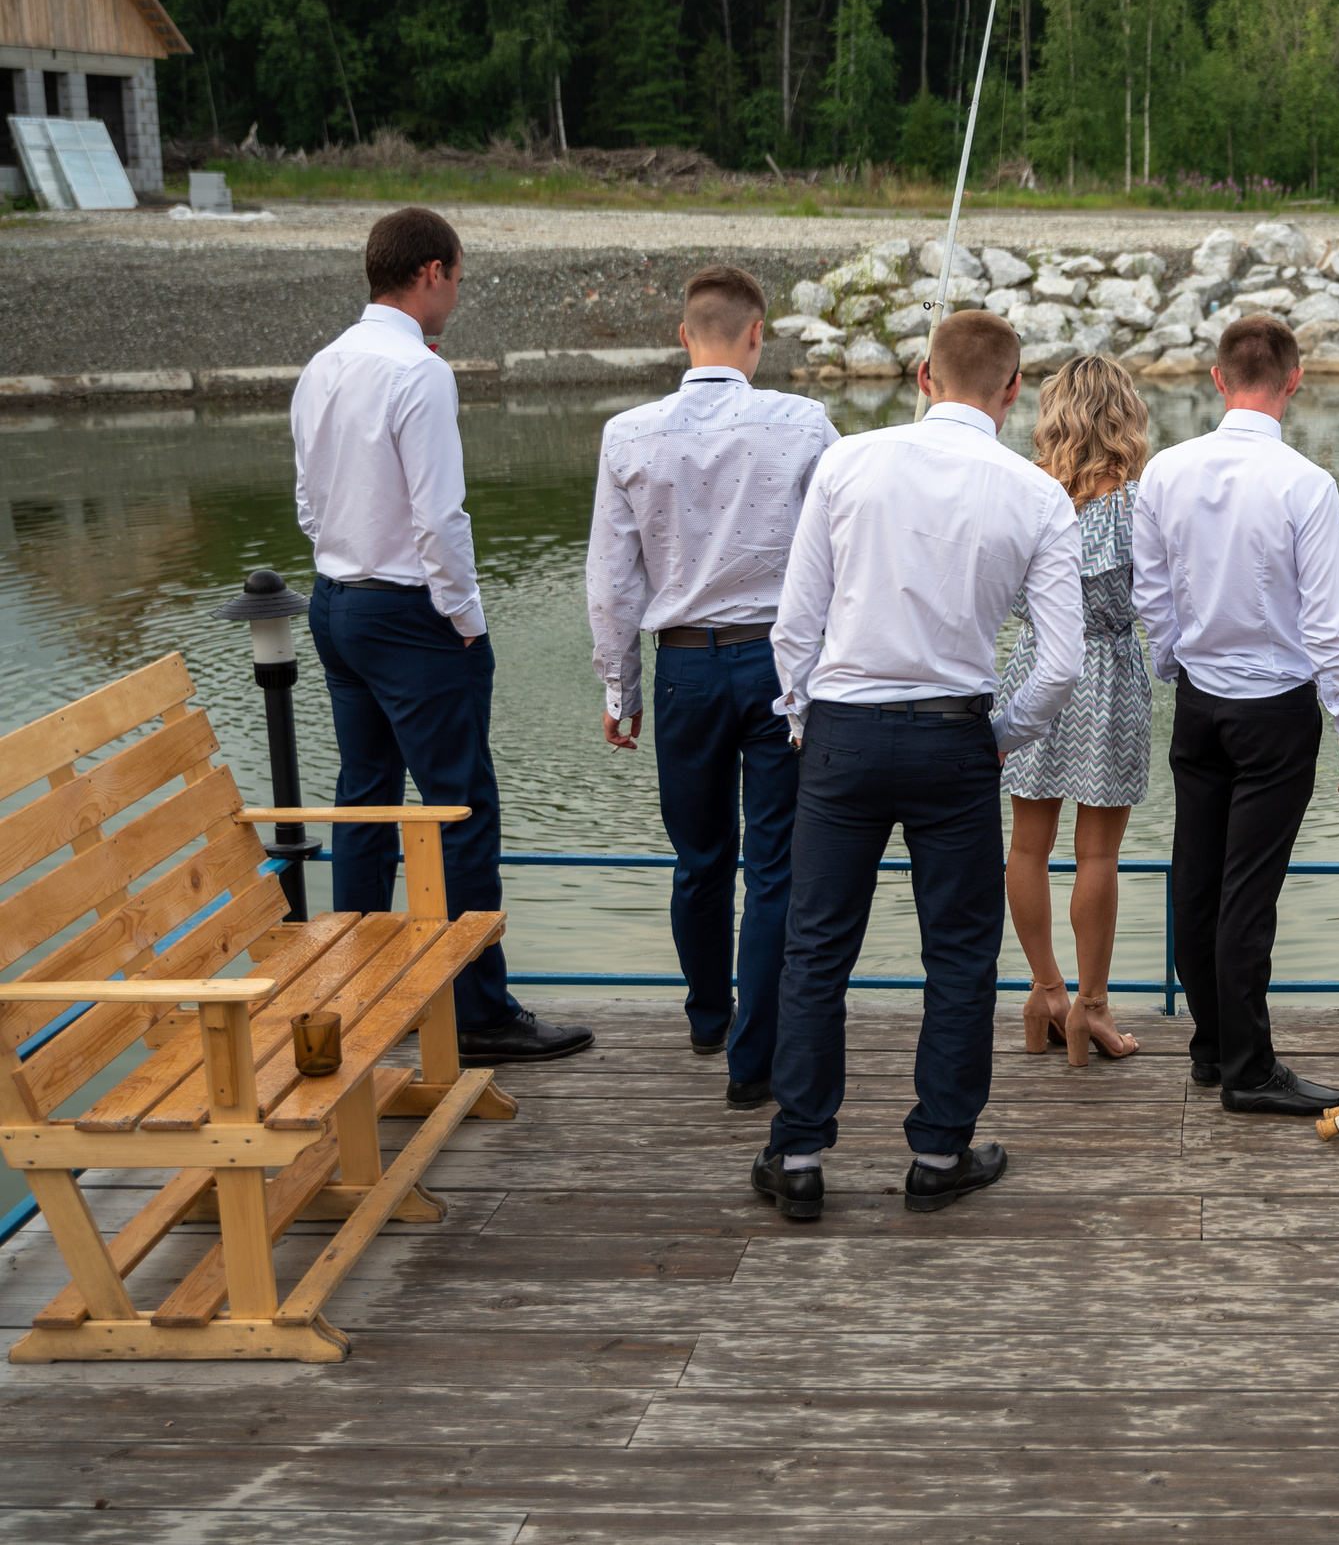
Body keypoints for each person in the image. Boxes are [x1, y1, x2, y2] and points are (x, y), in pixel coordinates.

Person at [754, 310, 1082, 1222]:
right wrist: (1000, 736)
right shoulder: (1037, 494)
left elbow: (794, 625)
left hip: (843, 733)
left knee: (817, 946)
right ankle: (939, 1151)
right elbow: (1061, 662)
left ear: (923, 376)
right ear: (1013, 389)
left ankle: (800, 1153)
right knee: (961, 953)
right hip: (955, 738)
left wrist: (802, 719)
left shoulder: (847, 462)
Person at [292, 206, 592, 1067]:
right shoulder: (419, 372)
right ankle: (478, 1011)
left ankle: (354, 994)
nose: (458, 293)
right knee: (460, 807)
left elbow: (308, 500)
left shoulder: (322, 364)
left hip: (335, 602)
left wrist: (344, 559)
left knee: (366, 800)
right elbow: (440, 518)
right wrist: (465, 618)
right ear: (430, 273)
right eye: (458, 277)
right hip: (409, 615)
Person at [586, 265, 838, 1110]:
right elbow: (840, 550)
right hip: (778, 664)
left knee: (699, 858)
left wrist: (619, 688)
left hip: (683, 666)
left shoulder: (627, 433)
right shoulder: (804, 423)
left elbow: (611, 580)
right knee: (773, 866)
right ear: (757, 334)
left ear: (683, 335)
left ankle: (706, 1016)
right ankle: (753, 1057)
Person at [1131, 315, 1339, 1116]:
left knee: (1198, 880)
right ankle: (1248, 1067)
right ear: (1294, 380)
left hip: (1199, 702)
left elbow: (1152, 593)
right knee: (1248, 893)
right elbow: (1326, 624)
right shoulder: (1307, 484)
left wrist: (1175, 664)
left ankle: (1212, 1045)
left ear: (1217, 378)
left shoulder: (1165, 471)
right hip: (1275, 710)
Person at [1000, 355, 1154, 1066]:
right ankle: (1091, 1007)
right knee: (1098, 852)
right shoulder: (1137, 505)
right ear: (1125, 417)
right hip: (1111, 673)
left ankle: (1045, 992)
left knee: (1027, 846)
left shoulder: (1028, 495)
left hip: (1037, 666)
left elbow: (1005, 595)